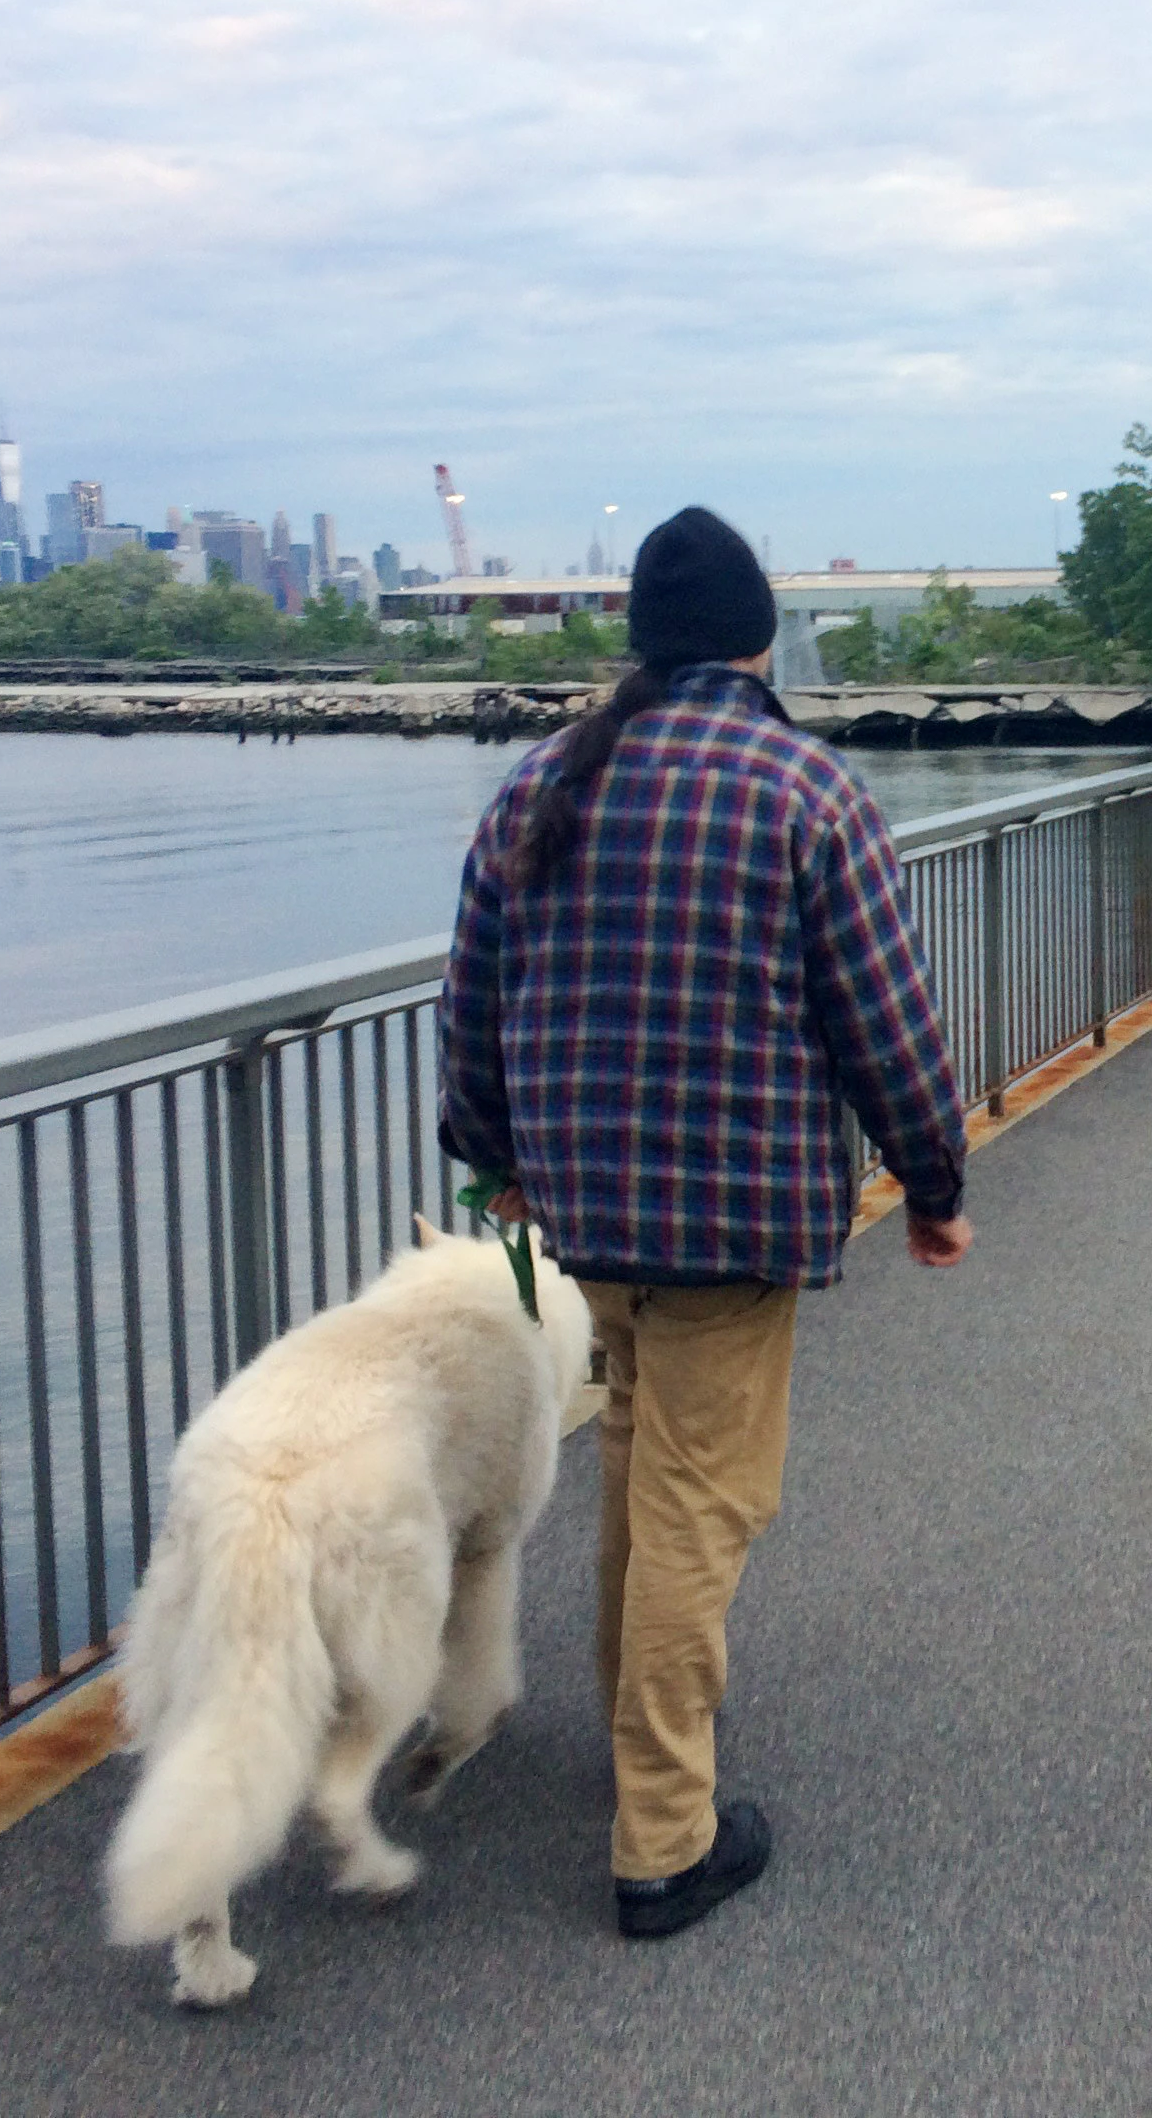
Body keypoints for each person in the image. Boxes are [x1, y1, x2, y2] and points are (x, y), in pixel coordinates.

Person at [438, 507, 972, 1942]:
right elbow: (885, 1021)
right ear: (757, 642)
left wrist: (495, 1161)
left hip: (584, 1213)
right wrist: (933, 1185)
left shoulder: (542, 784)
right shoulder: (804, 790)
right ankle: (665, 1839)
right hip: (730, 1220)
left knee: (637, 1464)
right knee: (700, 1501)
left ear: (640, 640)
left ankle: (635, 1737)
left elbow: (471, 1002)